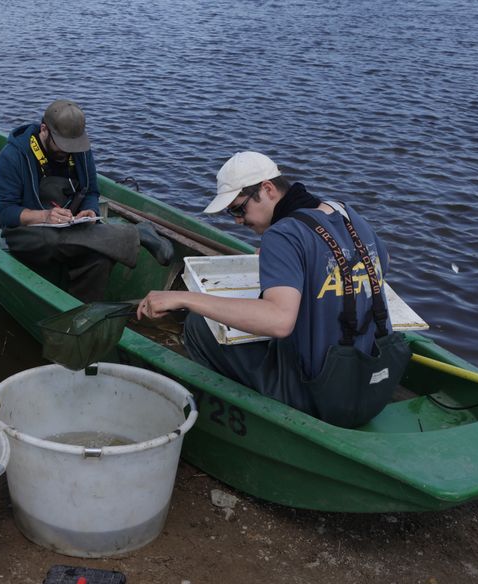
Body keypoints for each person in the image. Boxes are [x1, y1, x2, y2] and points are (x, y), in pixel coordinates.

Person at [137, 152, 408, 426]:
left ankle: (231, 416)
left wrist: (186, 298)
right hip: (374, 388)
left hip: (321, 399)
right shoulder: (345, 213)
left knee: (199, 325)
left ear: (267, 189)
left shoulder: (283, 234)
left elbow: (279, 321)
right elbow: (384, 261)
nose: (237, 221)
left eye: (238, 209)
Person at [0, 99, 173, 303]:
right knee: (50, 240)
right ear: (44, 129)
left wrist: (90, 211)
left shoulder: (79, 150)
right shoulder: (14, 155)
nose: (66, 152)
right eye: (62, 147)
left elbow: (92, 192)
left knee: (100, 257)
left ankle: (80, 313)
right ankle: (136, 233)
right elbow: (4, 212)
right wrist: (45, 216)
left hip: (72, 228)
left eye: (71, 147)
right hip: (27, 232)